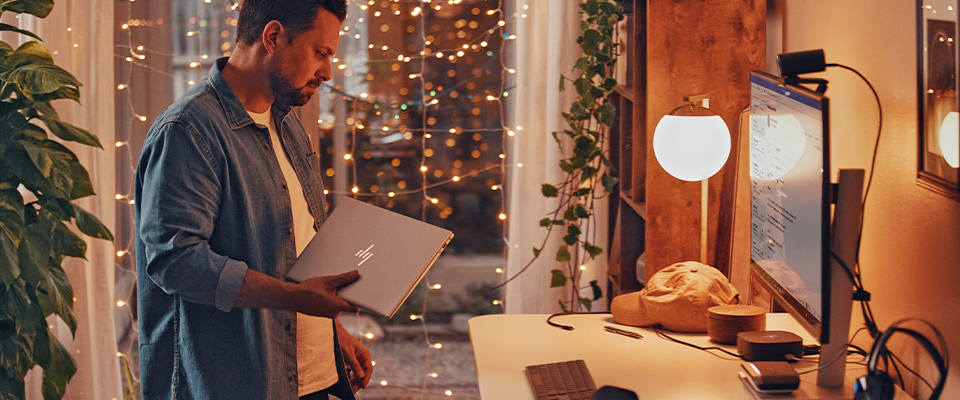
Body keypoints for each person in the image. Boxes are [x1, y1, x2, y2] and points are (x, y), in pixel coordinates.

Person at [134, 1, 373, 399]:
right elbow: (176, 262)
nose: (328, 73)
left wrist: (333, 333)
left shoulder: (288, 123)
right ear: (273, 37)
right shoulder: (188, 131)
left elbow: (292, 250)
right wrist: (296, 298)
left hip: (309, 377)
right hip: (236, 381)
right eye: (321, 53)